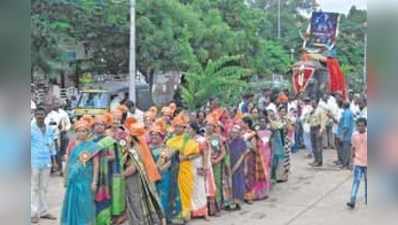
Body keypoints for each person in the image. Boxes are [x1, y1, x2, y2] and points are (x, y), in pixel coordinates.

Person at [123, 119, 164, 225]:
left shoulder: (135, 149)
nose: (126, 138)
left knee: (135, 201)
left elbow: (133, 168)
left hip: (134, 180)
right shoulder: (142, 146)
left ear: (133, 137)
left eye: (128, 136)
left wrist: (121, 175)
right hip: (141, 180)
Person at [61, 119, 102, 225]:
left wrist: (94, 182)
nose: (81, 133)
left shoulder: (92, 146)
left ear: (88, 132)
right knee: (73, 203)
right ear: (76, 132)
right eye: (79, 131)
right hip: (73, 179)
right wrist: (66, 178)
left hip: (86, 180)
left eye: (84, 131)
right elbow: (69, 162)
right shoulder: (72, 144)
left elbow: (96, 165)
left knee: (85, 205)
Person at [166, 112, 200, 223]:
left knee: (184, 191)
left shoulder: (188, 140)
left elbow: (196, 152)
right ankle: (174, 214)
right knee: (173, 191)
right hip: (171, 170)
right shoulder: (170, 141)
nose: (176, 129)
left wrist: (185, 157)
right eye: (175, 126)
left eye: (179, 126)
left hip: (184, 170)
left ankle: (185, 213)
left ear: (184, 128)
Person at [149, 119, 181, 223]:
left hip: (164, 177)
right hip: (150, 177)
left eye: (156, 135)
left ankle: (165, 219)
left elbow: (169, 163)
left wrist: (159, 170)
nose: (154, 136)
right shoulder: (147, 149)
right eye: (152, 134)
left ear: (161, 136)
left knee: (164, 198)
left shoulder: (167, 149)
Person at [31, 107, 57, 224]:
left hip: (46, 162)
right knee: (34, 188)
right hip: (34, 162)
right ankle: (33, 213)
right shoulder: (30, 129)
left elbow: (52, 146)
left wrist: (55, 161)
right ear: (35, 116)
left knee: (44, 188)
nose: (40, 116)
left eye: (42, 114)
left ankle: (44, 211)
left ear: (45, 115)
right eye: (38, 114)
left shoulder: (49, 129)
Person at [205, 114, 226, 215]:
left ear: (214, 127)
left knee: (217, 184)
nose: (209, 127)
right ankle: (208, 208)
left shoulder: (217, 137)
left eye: (211, 125)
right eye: (207, 125)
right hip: (206, 165)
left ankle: (217, 207)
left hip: (216, 164)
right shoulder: (202, 138)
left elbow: (223, 151)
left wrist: (217, 160)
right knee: (207, 186)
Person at [188, 122, 209, 220]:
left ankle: (204, 212)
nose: (187, 130)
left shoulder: (201, 140)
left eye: (189, 128)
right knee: (191, 189)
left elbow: (204, 154)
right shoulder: (187, 140)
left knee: (200, 189)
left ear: (193, 129)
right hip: (189, 167)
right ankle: (193, 211)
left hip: (198, 166)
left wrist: (204, 167)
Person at [347, 118, 367, 209]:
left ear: (365, 126)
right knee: (356, 181)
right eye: (358, 125)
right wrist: (351, 161)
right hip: (358, 162)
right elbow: (353, 148)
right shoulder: (354, 135)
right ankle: (352, 200)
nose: (360, 127)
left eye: (362, 125)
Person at [228, 125, 248, 208]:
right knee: (232, 182)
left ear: (239, 133)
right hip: (230, 163)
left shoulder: (242, 141)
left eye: (236, 132)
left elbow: (244, 155)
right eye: (232, 132)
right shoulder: (229, 142)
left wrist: (245, 166)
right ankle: (232, 199)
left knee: (239, 182)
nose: (234, 134)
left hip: (239, 165)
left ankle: (239, 200)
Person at [308, 98, 327, 167]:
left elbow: (323, 121)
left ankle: (319, 161)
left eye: (313, 102)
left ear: (316, 103)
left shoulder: (320, 110)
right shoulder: (311, 110)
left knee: (318, 146)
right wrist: (310, 114)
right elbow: (307, 120)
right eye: (311, 102)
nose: (312, 104)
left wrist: (321, 130)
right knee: (313, 145)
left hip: (317, 128)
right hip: (312, 128)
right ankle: (315, 160)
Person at [337, 102, 355, 169]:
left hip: (347, 135)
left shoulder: (346, 113)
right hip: (348, 134)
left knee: (345, 150)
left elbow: (346, 126)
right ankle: (347, 164)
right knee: (347, 150)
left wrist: (342, 135)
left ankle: (345, 164)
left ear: (344, 106)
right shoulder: (348, 112)